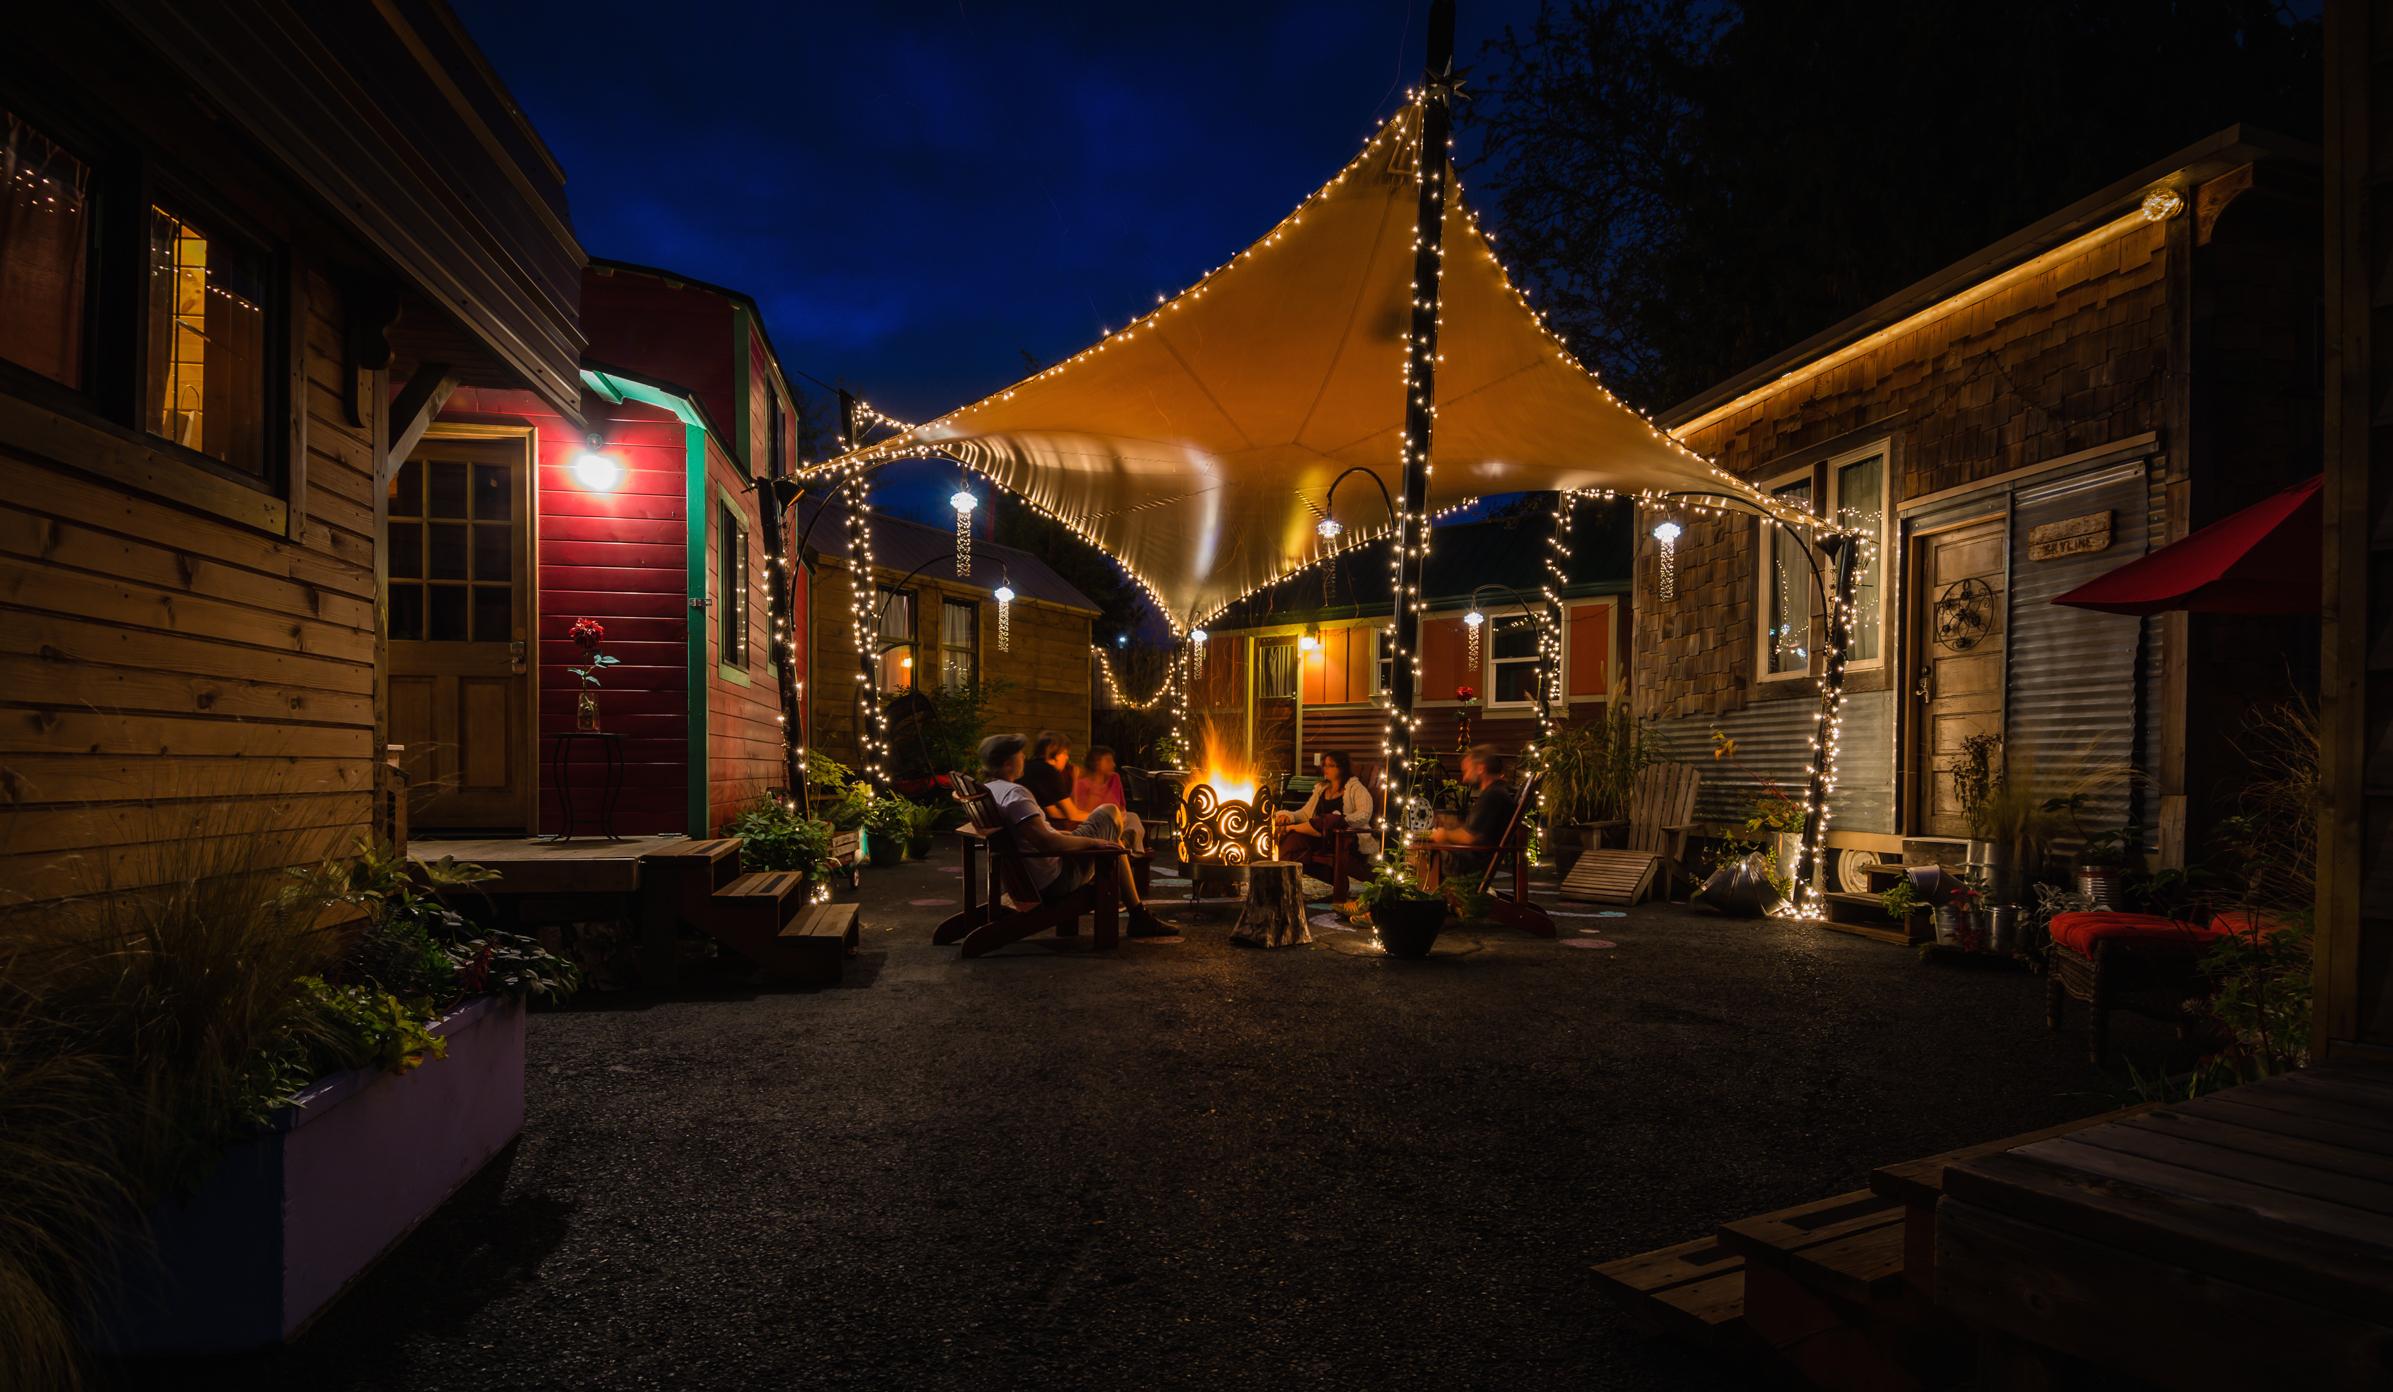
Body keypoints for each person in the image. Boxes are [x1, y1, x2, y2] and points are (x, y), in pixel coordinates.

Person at [978, 733, 1174, 938]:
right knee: (1109, 813)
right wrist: (1094, 842)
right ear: (1009, 763)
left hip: (1027, 877)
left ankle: (1137, 913)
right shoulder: (1015, 794)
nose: (1024, 758)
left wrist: (1067, 834)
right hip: (1054, 880)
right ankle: (1138, 914)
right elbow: (1046, 842)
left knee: (1112, 841)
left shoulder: (991, 790)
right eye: (1020, 754)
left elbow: (1036, 834)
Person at [1413, 744, 1516, 889]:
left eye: (1467, 771)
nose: (1465, 778)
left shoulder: (1493, 796)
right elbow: (1477, 830)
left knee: (1418, 852)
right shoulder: (1497, 792)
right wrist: (1451, 822)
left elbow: (1470, 838)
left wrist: (1444, 834)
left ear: (1480, 768)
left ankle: (1427, 899)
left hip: (1468, 865)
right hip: (1475, 858)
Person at [1025, 730, 1145, 853]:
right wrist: (1108, 817)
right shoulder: (1049, 772)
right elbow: (1072, 814)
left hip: (1049, 831)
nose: (1067, 758)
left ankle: (1126, 850)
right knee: (1111, 812)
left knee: (1127, 817)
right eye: (1065, 753)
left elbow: (1053, 812)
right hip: (1059, 834)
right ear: (1054, 752)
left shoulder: (1030, 768)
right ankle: (1130, 852)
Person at [1272, 750, 1377, 860]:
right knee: (1294, 839)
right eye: (1324, 765)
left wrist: (1342, 820)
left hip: (1343, 838)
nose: (1325, 769)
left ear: (1342, 768)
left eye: (1331, 766)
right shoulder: (1321, 789)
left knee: (1330, 819)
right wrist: (1289, 816)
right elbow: (1305, 813)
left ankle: (1290, 828)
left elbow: (1364, 814)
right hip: (1320, 835)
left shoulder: (1356, 788)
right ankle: (1279, 871)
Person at [1074, 745, 1126, 814]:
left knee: (1134, 817)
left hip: (1115, 819)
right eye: (1108, 761)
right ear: (1096, 763)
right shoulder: (1082, 784)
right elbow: (1085, 813)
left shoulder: (1114, 778)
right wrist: (1096, 784)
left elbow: (1121, 807)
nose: (1114, 764)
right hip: (1092, 821)